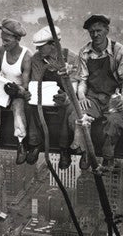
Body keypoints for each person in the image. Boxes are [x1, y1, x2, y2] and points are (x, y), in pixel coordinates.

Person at [72, 14, 123, 169]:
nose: (95, 34)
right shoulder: (85, 52)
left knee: (114, 120)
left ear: (106, 30)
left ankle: (108, 156)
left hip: (113, 96)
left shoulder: (117, 50)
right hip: (93, 96)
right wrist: (81, 96)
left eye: (99, 30)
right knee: (82, 116)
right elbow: (83, 79)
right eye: (92, 31)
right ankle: (87, 151)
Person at [26, 26, 79, 168]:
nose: (38, 50)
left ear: (53, 44)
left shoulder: (71, 58)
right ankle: (34, 143)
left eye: (41, 47)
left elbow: (74, 84)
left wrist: (66, 97)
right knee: (32, 105)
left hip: (65, 95)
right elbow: (36, 81)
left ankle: (64, 149)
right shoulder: (37, 59)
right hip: (45, 94)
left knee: (67, 108)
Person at [0, 19, 32, 165]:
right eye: (2, 40)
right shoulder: (1, 51)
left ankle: (21, 142)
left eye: (7, 41)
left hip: (17, 92)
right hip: (3, 88)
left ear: (17, 39)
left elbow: (26, 85)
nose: (4, 43)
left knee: (18, 107)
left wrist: (17, 90)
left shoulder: (26, 56)